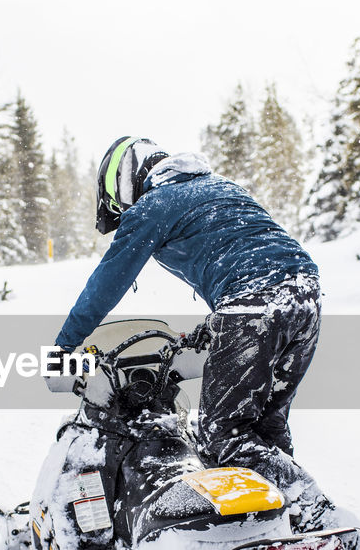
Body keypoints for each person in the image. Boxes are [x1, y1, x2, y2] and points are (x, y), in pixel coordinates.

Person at [53, 136, 335, 530]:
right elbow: (246, 252)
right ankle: (284, 529)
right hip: (305, 295)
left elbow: (107, 282)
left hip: (252, 304)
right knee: (265, 428)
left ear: (125, 180)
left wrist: (66, 344)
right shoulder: (219, 186)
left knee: (223, 432)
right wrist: (215, 325)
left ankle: (311, 505)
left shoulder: (154, 205)